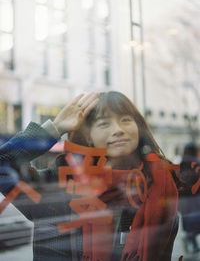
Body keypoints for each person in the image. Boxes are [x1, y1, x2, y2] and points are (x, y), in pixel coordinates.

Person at [0, 91, 179, 261]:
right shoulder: (56, 188)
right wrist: (55, 128)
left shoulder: (161, 192)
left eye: (125, 120)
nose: (118, 129)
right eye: (104, 123)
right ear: (88, 137)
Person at [178, 142, 200, 253]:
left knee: (189, 225)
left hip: (184, 202)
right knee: (196, 224)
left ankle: (192, 242)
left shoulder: (181, 165)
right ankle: (191, 241)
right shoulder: (197, 164)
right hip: (196, 201)